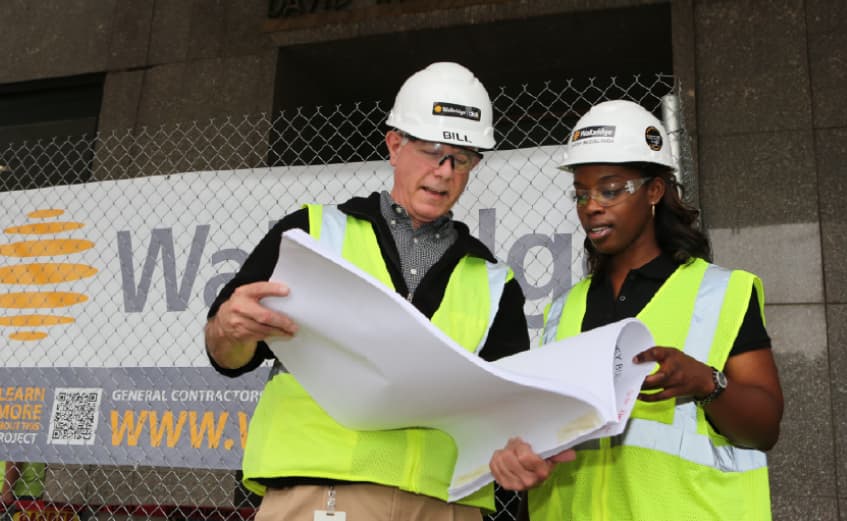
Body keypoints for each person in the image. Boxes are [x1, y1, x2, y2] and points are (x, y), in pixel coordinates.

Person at [205, 62, 530, 521]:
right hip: (325, 490)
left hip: (446, 504)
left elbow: (509, 409)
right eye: (432, 151)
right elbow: (230, 356)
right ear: (394, 145)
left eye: (461, 159)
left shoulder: (495, 281)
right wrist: (229, 328)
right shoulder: (312, 234)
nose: (444, 172)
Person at [489, 99, 784, 520]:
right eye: (581, 193)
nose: (591, 206)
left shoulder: (721, 293)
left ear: (655, 191)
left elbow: (764, 428)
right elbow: (541, 437)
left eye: (610, 190)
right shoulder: (563, 311)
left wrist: (707, 383)